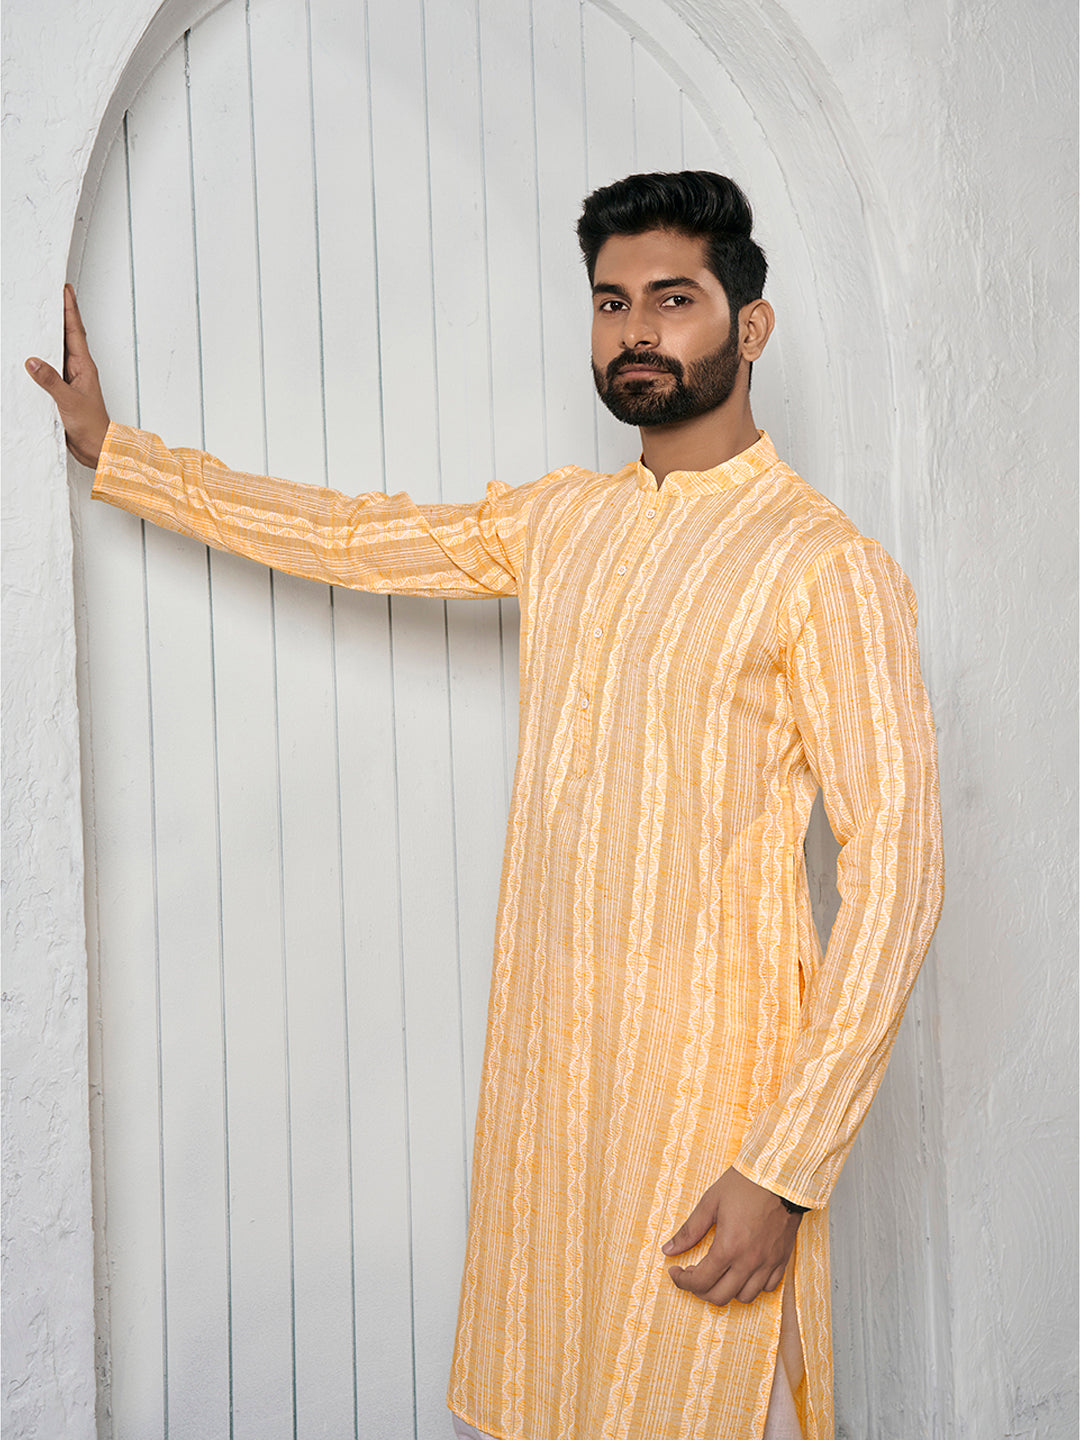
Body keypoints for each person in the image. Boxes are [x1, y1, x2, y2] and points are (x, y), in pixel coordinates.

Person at [27, 171, 942, 1440]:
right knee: (546, 1400)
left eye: (672, 299)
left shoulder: (823, 565)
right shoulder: (565, 522)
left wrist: (787, 1167)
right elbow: (354, 539)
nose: (635, 331)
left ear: (751, 325)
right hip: (549, 1084)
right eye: (612, 302)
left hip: (713, 1105)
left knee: (694, 1402)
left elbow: (900, 874)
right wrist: (121, 457)